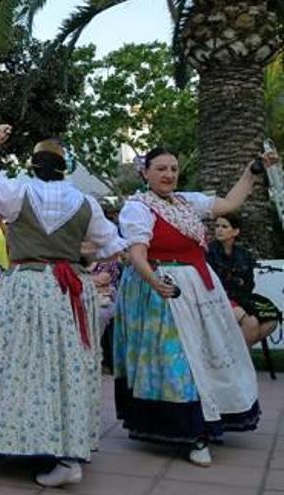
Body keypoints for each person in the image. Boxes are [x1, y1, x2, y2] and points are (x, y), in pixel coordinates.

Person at [0, 126, 126, 487]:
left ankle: (22, 439)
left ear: (33, 166)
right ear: (64, 168)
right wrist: (78, 253)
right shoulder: (86, 202)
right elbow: (113, 247)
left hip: (26, 285)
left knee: (20, 362)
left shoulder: (18, 191)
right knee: (65, 367)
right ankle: (66, 450)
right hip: (68, 288)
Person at [114, 147, 272, 467]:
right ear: (145, 173)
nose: (169, 174)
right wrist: (155, 282)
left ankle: (209, 417)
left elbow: (228, 204)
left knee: (204, 353)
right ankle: (192, 432)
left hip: (199, 288)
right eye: (161, 169)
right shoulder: (138, 208)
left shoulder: (187, 202)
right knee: (179, 359)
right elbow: (137, 254)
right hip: (163, 290)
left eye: (173, 168)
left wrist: (251, 172)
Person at [207, 214, 280, 346]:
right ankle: (237, 360)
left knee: (271, 321)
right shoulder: (208, 252)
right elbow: (211, 283)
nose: (219, 230)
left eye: (224, 226)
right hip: (217, 298)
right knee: (251, 323)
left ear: (235, 231)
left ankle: (235, 355)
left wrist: (239, 286)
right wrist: (235, 282)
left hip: (241, 298)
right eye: (217, 226)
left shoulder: (244, 254)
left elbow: (249, 284)